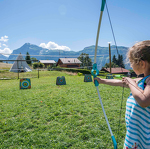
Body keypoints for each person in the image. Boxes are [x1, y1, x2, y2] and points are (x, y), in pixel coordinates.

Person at [94, 40, 150, 149]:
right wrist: (102, 81)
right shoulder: (141, 80)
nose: (130, 65)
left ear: (142, 63)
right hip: (135, 136)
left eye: (131, 62)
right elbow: (121, 82)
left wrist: (130, 82)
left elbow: (144, 101)